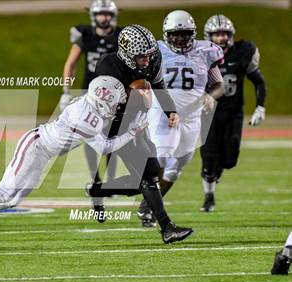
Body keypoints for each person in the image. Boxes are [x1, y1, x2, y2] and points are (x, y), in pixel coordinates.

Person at [0, 76, 148, 251]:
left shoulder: (90, 106)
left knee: (12, 200)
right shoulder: (87, 117)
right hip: (35, 146)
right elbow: (105, 147)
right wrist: (133, 132)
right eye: (115, 103)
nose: (117, 107)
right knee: (4, 192)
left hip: (44, 152)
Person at [87, 24, 194, 242]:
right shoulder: (108, 67)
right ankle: (167, 227)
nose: (146, 60)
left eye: (149, 55)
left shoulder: (152, 59)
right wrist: (133, 94)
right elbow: (103, 108)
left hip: (135, 121)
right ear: (127, 54)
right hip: (111, 123)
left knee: (149, 174)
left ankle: (98, 190)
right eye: (141, 57)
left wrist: (170, 111)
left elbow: (158, 85)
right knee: (148, 175)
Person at [138, 10, 225, 226]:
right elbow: (139, 75)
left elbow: (219, 85)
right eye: (175, 34)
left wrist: (210, 96)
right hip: (163, 112)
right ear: (166, 34)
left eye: (185, 34)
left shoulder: (206, 51)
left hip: (191, 116)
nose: (180, 38)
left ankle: (147, 206)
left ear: (193, 33)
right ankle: (155, 209)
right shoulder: (155, 51)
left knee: (177, 167)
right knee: (162, 155)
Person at [199, 14, 267, 212]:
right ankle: (209, 196)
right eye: (217, 34)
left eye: (224, 34)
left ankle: (216, 173)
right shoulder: (200, 56)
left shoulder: (243, 51)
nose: (221, 38)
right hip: (208, 115)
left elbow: (259, 81)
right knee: (209, 158)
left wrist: (260, 107)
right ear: (208, 36)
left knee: (229, 160)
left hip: (233, 114)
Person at [59, 0, 121, 184]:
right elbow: (71, 63)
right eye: (101, 14)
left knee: (113, 137)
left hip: (114, 93)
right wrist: (66, 90)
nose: (104, 17)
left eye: (107, 14)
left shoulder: (121, 36)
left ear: (113, 15)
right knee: (90, 135)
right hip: (90, 93)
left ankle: (111, 180)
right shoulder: (85, 35)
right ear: (93, 16)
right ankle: (96, 179)